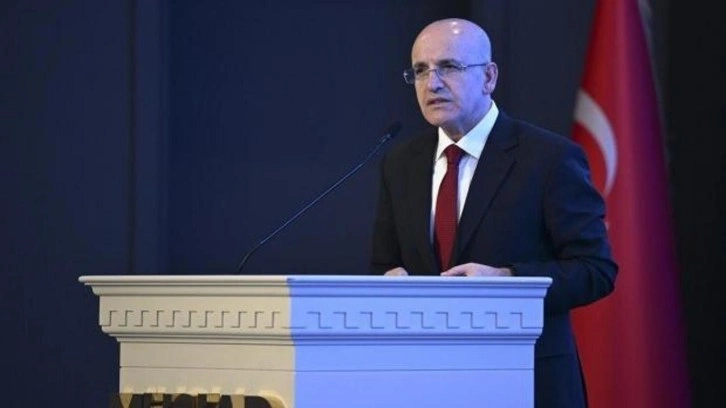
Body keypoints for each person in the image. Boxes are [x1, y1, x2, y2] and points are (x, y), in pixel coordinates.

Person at [370, 18, 617, 408]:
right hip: (427, 382)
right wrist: (389, 281)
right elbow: (384, 264)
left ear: (488, 77)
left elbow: (595, 270)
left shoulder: (548, 158)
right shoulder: (400, 163)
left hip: (527, 381)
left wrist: (507, 279)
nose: (432, 83)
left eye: (448, 67)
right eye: (420, 70)